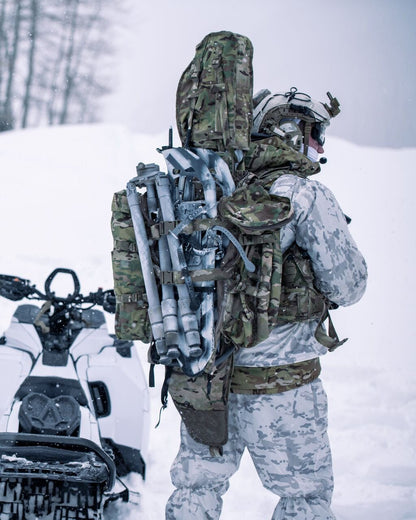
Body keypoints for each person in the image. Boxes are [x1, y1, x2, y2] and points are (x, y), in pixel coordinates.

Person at [165, 87, 368, 520]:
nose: (320, 147)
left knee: (195, 491)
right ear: (290, 131)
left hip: (204, 377)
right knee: (304, 499)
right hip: (282, 386)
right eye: (316, 134)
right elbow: (349, 285)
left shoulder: (207, 185)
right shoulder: (303, 194)